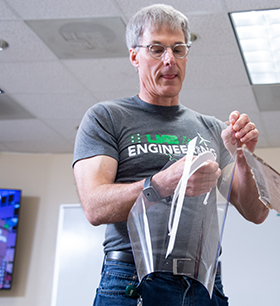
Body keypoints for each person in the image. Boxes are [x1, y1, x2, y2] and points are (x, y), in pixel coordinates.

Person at [72, 4, 269, 306]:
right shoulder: (106, 117)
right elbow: (94, 206)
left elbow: (256, 212)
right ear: (134, 56)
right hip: (132, 279)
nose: (169, 60)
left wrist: (241, 158)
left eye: (178, 49)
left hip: (204, 282)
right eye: (156, 49)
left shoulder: (213, 129)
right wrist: (163, 183)